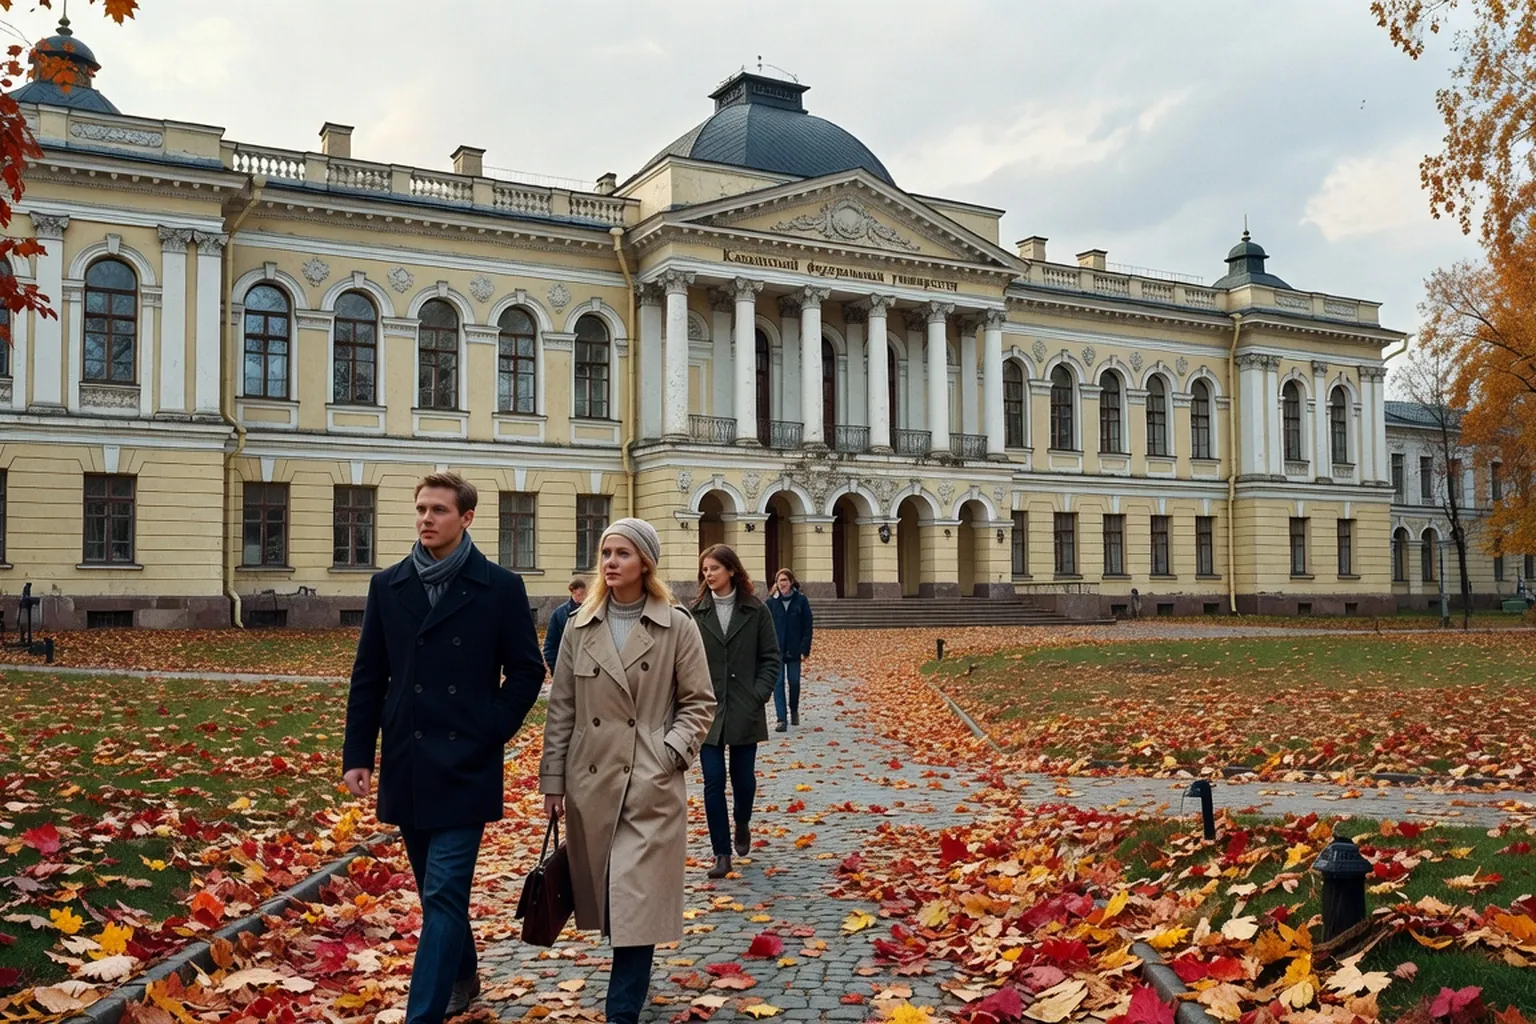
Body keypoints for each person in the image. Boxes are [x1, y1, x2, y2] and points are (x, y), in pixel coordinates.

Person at [343, 472, 545, 1024]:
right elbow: (369, 675)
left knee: (444, 891)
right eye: (421, 509)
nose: (426, 519)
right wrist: (358, 754)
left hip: (465, 762)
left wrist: (491, 728)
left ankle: (422, 1014)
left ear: (466, 518)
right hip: (408, 760)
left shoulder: (499, 586)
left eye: (438, 510)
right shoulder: (389, 585)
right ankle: (464, 973)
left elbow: (527, 670)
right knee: (438, 891)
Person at [539, 518, 715, 1024]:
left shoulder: (676, 624)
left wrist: (669, 753)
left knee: (636, 900)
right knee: (614, 900)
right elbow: (563, 709)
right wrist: (553, 781)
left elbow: (700, 702)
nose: (610, 562)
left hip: (650, 786)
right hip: (592, 783)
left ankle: (621, 1011)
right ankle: (629, 991)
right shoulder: (579, 625)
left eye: (621, 553)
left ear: (645, 563)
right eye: (605, 553)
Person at [689, 544, 782, 879]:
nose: (708, 574)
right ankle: (721, 853)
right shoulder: (696, 613)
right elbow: (686, 662)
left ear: (730, 570)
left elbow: (771, 658)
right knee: (713, 780)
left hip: (745, 707)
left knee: (743, 780)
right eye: (705, 570)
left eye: (714, 568)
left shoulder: (756, 611)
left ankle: (742, 821)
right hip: (708, 710)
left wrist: (758, 695)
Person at [766, 568, 813, 732]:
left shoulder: (801, 600)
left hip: (794, 649)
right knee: (778, 684)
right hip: (776, 650)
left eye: (785, 580)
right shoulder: (771, 602)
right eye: (780, 581)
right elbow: (765, 627)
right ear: (776, 584)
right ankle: (781, 719)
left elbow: (807, 626)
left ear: (791, 582)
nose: (783, 583)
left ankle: (794, 709)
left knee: (794, 682)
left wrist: (804, 648)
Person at [542, 575, 588, 673]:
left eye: (585, 592)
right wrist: (554, 669)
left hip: (586, 668)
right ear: (573, 591)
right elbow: (551, 644)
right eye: (581, 592)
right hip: (565, 666)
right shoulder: (559, 614)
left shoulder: (590, 611)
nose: (584, 596)